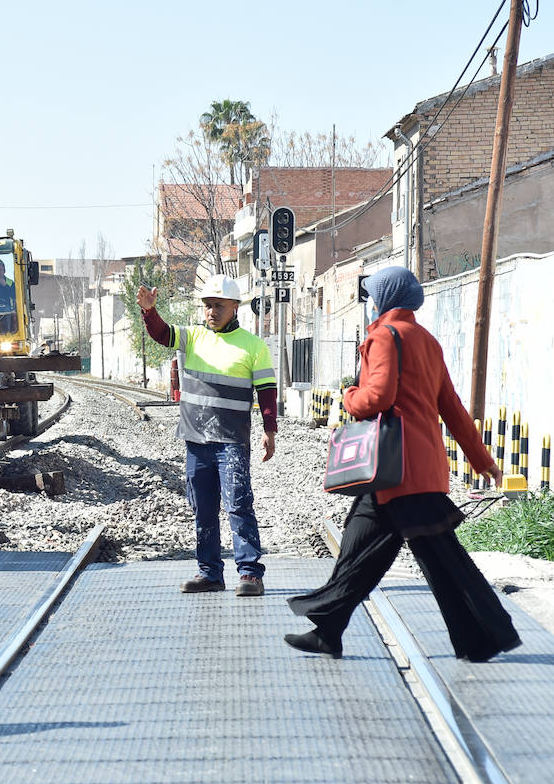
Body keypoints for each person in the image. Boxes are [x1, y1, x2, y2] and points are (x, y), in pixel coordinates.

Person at [285, 266, 520, 661]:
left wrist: (348, 396)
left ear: (385, 299)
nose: (370, 304)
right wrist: (482, 460)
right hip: (411, 470)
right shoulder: (426, 340)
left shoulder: (384, 336)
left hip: (397, 469)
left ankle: (486, 637)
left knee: (442, 559)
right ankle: (328, 628)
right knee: (359, 544)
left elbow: (376, 397)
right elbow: (453, 408)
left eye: (373, 296)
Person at [137, 274, 277, 596]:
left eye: (218, 306)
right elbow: (161, 334)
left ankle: (250, 573)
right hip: (196, 439)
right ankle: (210, 573)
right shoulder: (193, 337)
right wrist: (150, 312)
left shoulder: (253, 346)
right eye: (208, 306)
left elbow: (267, 392)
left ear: (234, 308)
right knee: (203, 507)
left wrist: (270, 431)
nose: (211, 311)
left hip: (231, 441)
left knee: (238, 505)